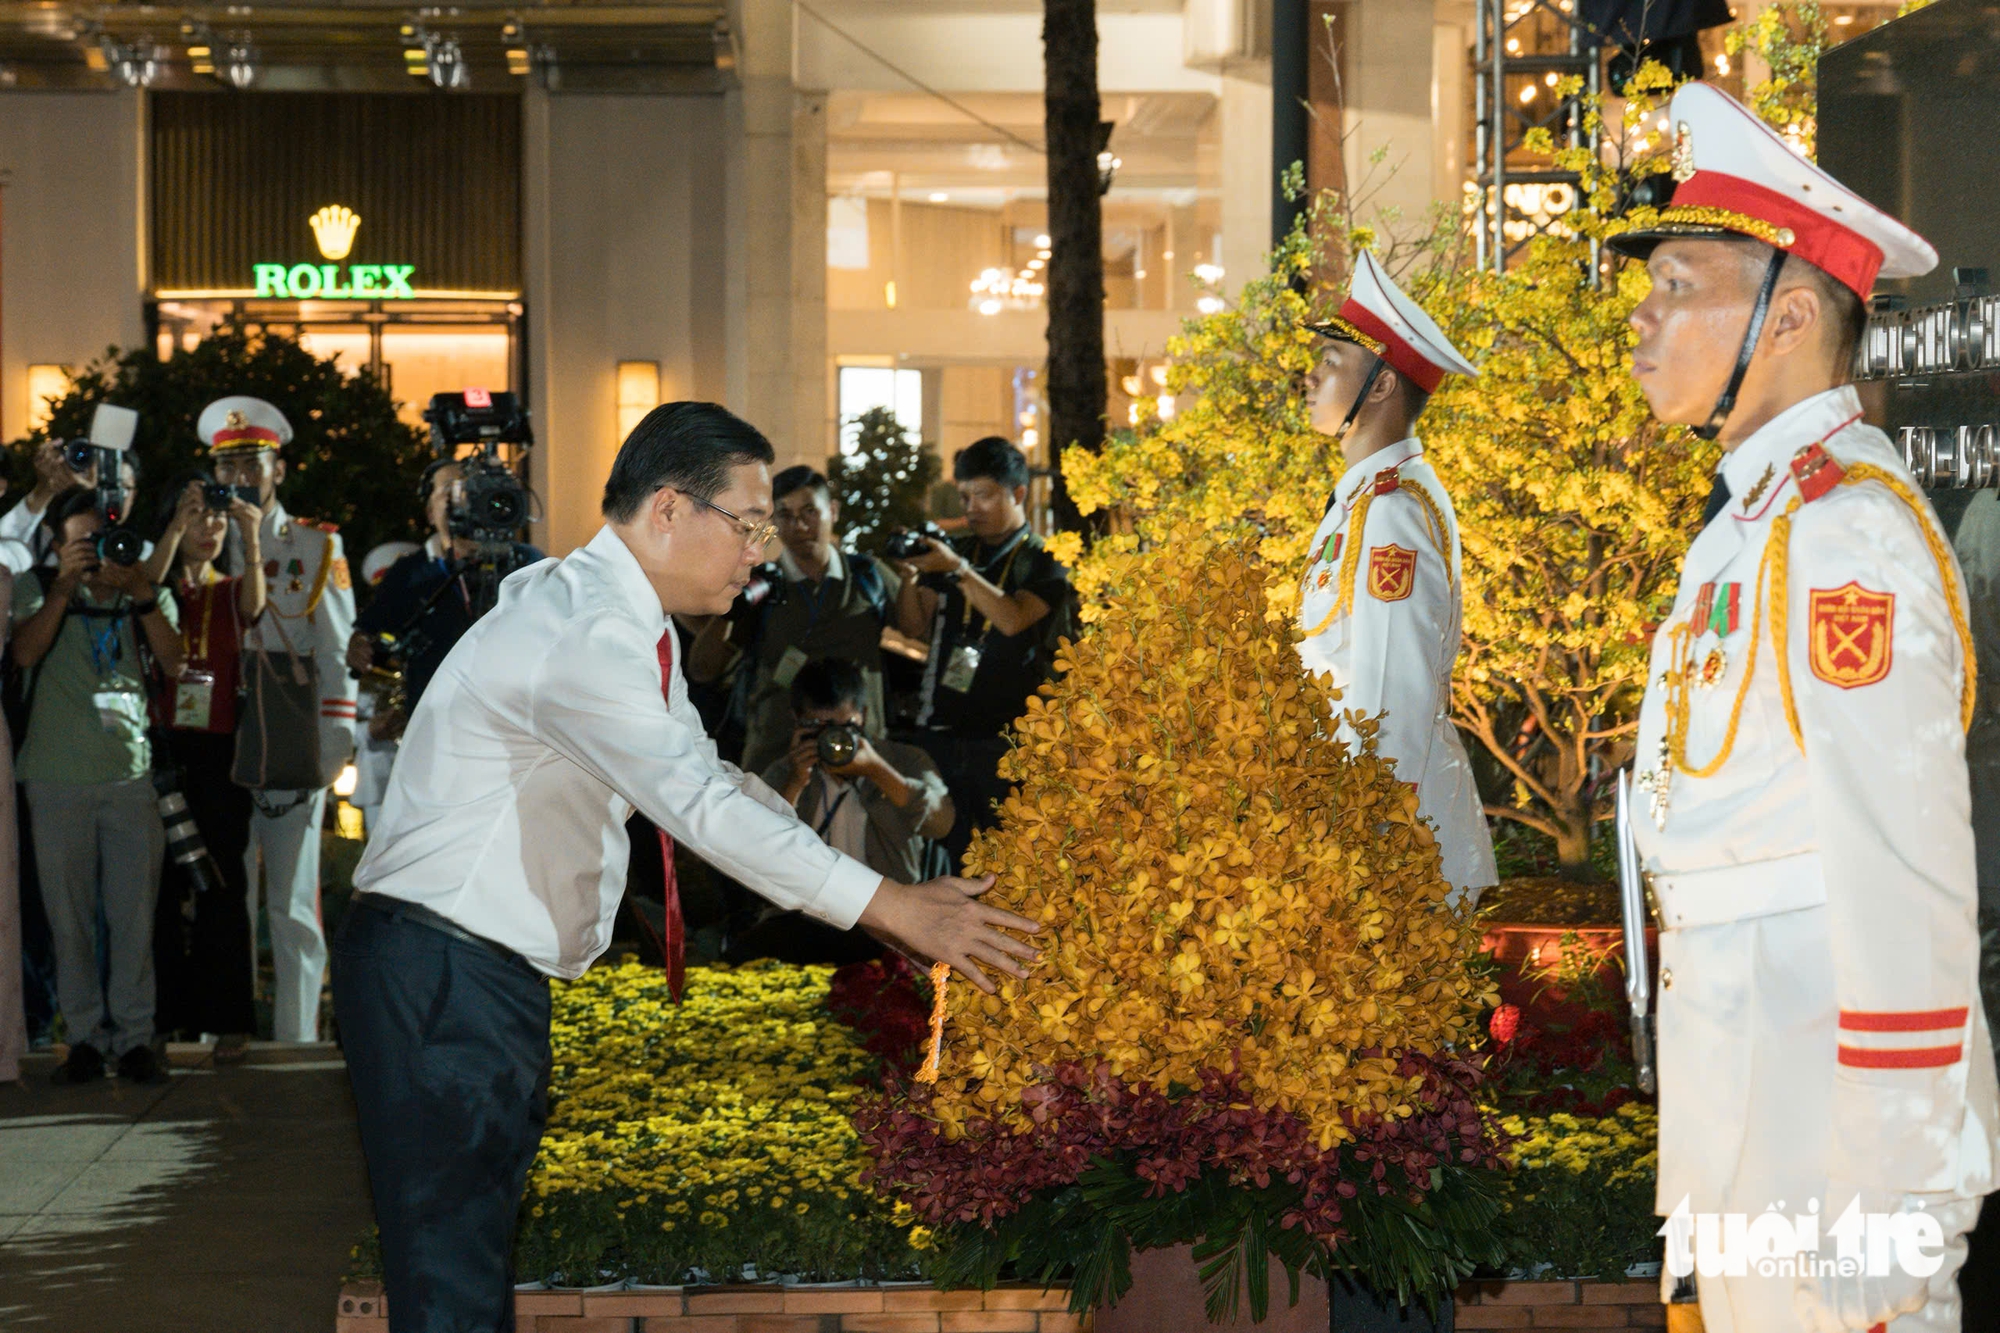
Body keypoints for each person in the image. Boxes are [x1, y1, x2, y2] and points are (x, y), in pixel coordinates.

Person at [332, 401, 1037, 1333]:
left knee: (463, 1278)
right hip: (444, 977)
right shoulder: (587, 631)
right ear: (668, 510)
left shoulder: (609, 614)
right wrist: (892, 907)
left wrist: (880, 900)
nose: (759, 550)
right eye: (746, 524)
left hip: (461, 975)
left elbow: (707, 779)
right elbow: (696, 807)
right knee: (451, 1291)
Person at [1613, 82, 1998, 1332]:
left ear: (1782, 317)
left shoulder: (1843, 541)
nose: (1642, 313)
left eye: (1679, 282)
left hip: (1833, 1152)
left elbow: (1909, 885)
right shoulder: (1750, 529)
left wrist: (1893, 1195)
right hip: (1749, 1102)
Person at [1295, 249, 1497, 905]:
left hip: (1393, 850)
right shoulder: (1368, 501)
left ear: (1380, 386)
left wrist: (1372, 849)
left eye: (1331, 361)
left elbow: (1394, 696)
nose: (1310, 375)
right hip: (1362, 829)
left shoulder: (1390, 512)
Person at [14, 489, 183, 1085]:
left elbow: (175, 663)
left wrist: (141, 596)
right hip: (55, 780)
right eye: (80, 543)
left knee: (134, 919)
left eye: (101, 540)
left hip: (131, 781)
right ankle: (83, 1038)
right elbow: (25, 653)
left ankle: (136, 1039)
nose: (94, 553)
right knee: (70, 922)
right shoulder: (33, 588)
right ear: (57, 546)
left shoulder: (149, 593)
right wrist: (63, 589)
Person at [204, 395, 358, 1043]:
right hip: (217, 737)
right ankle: (227, 1028)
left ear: (279, 469)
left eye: (252, 462)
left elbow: (336, 648)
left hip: (292, 736)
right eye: (228, 464)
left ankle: (295, 1042)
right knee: (225, 897)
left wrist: (335, 743)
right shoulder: (203, 540)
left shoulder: (316, 543)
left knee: (292, 901)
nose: (240, 476)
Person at [893, 436, 1076, 865]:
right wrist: (909, 573)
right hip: (942, 731)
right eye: (964, 496)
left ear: (1018, 494)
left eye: (983, 495)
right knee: (941, 863)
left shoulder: (1044, 558)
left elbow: (1013, 619)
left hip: (1009, 743)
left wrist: (957, 571)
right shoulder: (958, 552)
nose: (972, 507)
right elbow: (912, 626)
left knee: (1007, 862)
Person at [147, 475, 266, 1059]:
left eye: (215, 521)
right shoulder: (153, 589)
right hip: (162, 750)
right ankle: (161, 1019)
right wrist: (172, 527)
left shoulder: (230, 588)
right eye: (197, 518)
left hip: (219, 753)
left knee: (223, 884)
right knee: (160, 889)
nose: (208, 529)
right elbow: (143, 583)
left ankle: (230, 1022)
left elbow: (256, 606)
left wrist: (251, 532)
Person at [687, 466, 900, 775]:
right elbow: (702, 668)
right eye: (785, 515)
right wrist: (731, 609)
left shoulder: (869, 577)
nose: (799, 525)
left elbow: (919, 630)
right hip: (778, 758)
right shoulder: (759, 588)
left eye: (810, 511)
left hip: (861, 756)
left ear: (833, 511)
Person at [743, 658, 955, 963]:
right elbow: (753, 848)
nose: (832, 740)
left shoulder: (902, 760)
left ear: (864, 716)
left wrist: (878, 771)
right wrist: (795, 781)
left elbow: (942, 823)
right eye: (817, 728)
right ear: (797, 721)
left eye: (844, 728)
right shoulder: (784, 770)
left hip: (885, 918)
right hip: (803, 917)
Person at [346, 459, 545, 732]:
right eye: (450, 490)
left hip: (515, 727)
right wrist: (359, 644)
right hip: (437, 728)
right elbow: (370, 633)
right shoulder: (409, 572)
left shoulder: (526, 562)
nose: (463, 498)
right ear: (429, 511)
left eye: (471, 489)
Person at [0, 439, 144, 575]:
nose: (106, 496)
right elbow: (7, 542)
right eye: (97, 484)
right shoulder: (42, 545)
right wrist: (45, 489)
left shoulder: (141, 551)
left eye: (120, 488)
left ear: (134, 494)